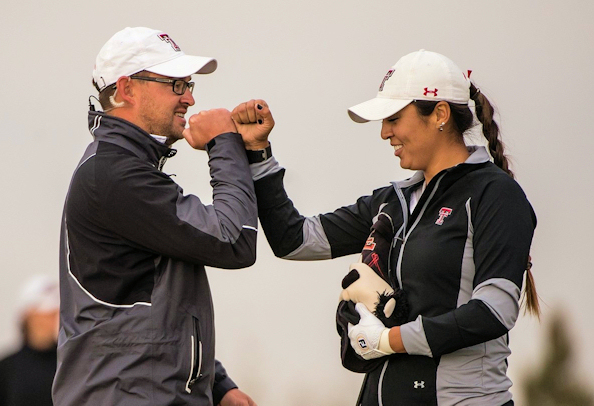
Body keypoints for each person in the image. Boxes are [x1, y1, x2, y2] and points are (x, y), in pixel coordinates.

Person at [231, 49, 538, 405]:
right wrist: (258, 153)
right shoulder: (391, 201)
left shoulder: (496, 194)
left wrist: (386, 340)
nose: (384, 132)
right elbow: (294, 240)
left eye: (393, 118)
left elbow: (494, 310)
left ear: (439, 114)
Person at [53, 27, 258, 406]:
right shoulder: (116, 174)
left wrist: (218, 385)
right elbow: (235, 240)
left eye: (189, 83)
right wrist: (223, 143)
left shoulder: (122, 168)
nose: (190, 97)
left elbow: (150, 310)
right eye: (177, 84)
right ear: (127, 89)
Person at [0, 275, 59, 406]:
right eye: (42, 314)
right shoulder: (7, 368)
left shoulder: (69, 365)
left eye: (53, 314)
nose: (49, 321)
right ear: (26, 316)